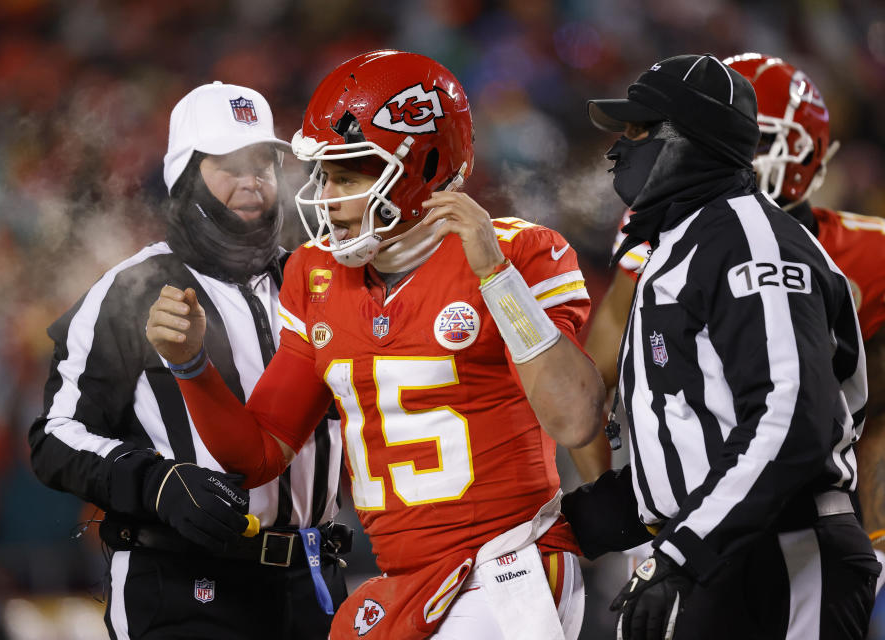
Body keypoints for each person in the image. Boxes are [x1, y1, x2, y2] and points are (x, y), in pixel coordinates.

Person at [146, 50, 605, 640]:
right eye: (325, 175)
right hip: (402, 579)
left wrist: (496, 278)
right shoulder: (315, 275)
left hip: (508, 565)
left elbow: (575, 420)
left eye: (349, 175)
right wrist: (192, 365)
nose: (327, 196)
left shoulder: (519, 252)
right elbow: (259, 453)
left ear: (420, 168)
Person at [574, 53, 881, 640]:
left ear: (691, 140)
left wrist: (682, 551)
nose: (619, 148)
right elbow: (693, 439)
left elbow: (791, 420)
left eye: (638, 130)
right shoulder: (681, 246)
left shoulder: (751, 241)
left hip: (780, 556)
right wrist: (579, 525)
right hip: (714, 549)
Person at [28, 82, 349, 639]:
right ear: (185, 176)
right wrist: (157, 483)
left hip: (312, 579)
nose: (252, 180)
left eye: (264, 163)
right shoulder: (131, 290)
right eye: (228, 164)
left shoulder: (315, 280)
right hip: (181, 583)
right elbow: (54, 437)